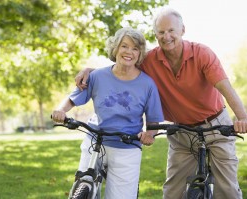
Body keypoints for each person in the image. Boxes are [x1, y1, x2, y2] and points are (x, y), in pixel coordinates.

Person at [74, 7, 247, 199]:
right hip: (181, 132)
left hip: (216, 126)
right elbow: (122, 65)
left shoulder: (202, 54)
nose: (167, 36)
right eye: (161, 32)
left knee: (227, 189)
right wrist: (92, 71)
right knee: (173, 191)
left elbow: (226, 89)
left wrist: (242, 117)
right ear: (156, 35)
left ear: (182, 30)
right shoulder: (150, 60)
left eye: (171, 30)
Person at [52, 27, 164, 199]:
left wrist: (150, 134)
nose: (129, 52)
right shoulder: (97, 76)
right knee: (82, 188)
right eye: (124, 46)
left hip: (127, 146)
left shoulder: (147, 84)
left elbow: (154, 121)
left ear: (140, 54)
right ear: (115, 48)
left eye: (135, 48)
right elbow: (73, 99)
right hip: (95, 140)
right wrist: (60, 110)